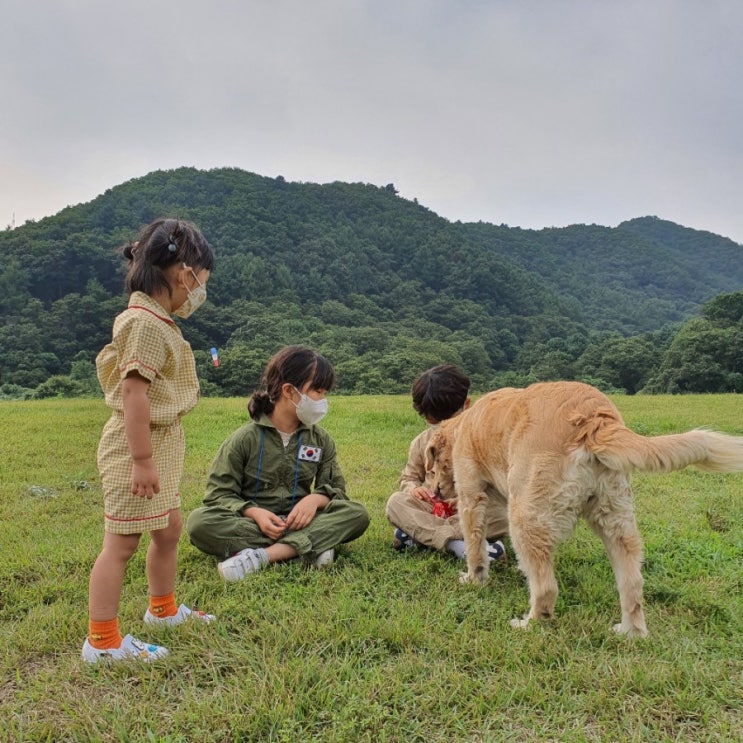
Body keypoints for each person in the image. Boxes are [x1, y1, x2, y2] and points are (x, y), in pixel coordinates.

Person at [82, 218, 216, 664]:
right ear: (183, 273)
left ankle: (162, 610)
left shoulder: (159, 321)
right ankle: (102, 642)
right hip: (135, 449)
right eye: (200, 283)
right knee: (120, 543)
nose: (199, 294)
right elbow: (132, 391)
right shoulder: (144, 324)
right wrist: (141, 460)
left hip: (160, 446)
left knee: (169, 528)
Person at [186, 345, 370, 581]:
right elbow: (218, 495)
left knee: (356, 514)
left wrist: (314, 500)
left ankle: (259, 556)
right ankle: (311, 546)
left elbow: (336, 492)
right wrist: (254, 513)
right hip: (253, 524)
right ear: (288, 390)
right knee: (199, 522)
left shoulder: (320, 439)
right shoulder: (244, 439)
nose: (322, 400)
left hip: (303, 521)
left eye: (325, 392)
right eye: (317, 390)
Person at [385, 364, 509, 561]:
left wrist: (464, 500)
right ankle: (459, 545)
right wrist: (412, 489)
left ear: (466, 405)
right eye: (434, 420)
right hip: (432, 510)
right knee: (395, 503)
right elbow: (409, 477)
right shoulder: (421, 442)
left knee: (503, 514)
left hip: (467, 512)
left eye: (447, 419)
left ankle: (420, 535)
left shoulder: (485, 441)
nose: (441, 427)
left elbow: (501, 490)